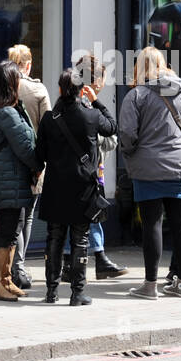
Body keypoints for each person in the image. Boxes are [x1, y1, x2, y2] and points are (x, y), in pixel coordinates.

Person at [118, 46, 181, 299]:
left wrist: (132, 152)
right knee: (180, 223)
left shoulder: (137, 95)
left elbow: (127, 134)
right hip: (179, 166)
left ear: (140, 67)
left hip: (147, 168)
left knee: (151, 224)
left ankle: (150, 285)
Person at [35, 68, 117, 305]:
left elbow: (39, 155)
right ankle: (77, 293)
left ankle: (51, 292)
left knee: (54, 239)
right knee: (80, 239)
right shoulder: (90, 116)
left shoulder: (50, 119)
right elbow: (111, 127)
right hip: (83, 188)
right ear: (81, 90)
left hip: (55, 187)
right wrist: (97, 101)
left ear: (60, 90)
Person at [0, 60, 43, 301]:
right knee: (6, 230)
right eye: (18, 79)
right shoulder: (5, 112)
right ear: (10, 83)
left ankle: (5, 279)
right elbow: (25, 147)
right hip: (9, 179)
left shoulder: (6, 109)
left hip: (12, 179)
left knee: (14, 227)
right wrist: (38, 165)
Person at [69, 53, 128, 279]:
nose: (104, 83)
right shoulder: (87, 104)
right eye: (103, 78)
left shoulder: (68, 100)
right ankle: (99, 259)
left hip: (81, 170)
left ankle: (77, 262)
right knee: (90, 214)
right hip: (86, 171)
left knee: (84, 215)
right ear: (94, 81)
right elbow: (110, 136)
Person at [8, 44, 51, 292]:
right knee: (28, 214)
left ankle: (10, 266)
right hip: (33, 161)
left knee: (12, 215)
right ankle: (19, 267)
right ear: (28, 64)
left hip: (5, 161)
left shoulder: (1, 86)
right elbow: (47, 125)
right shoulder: (37, 89)